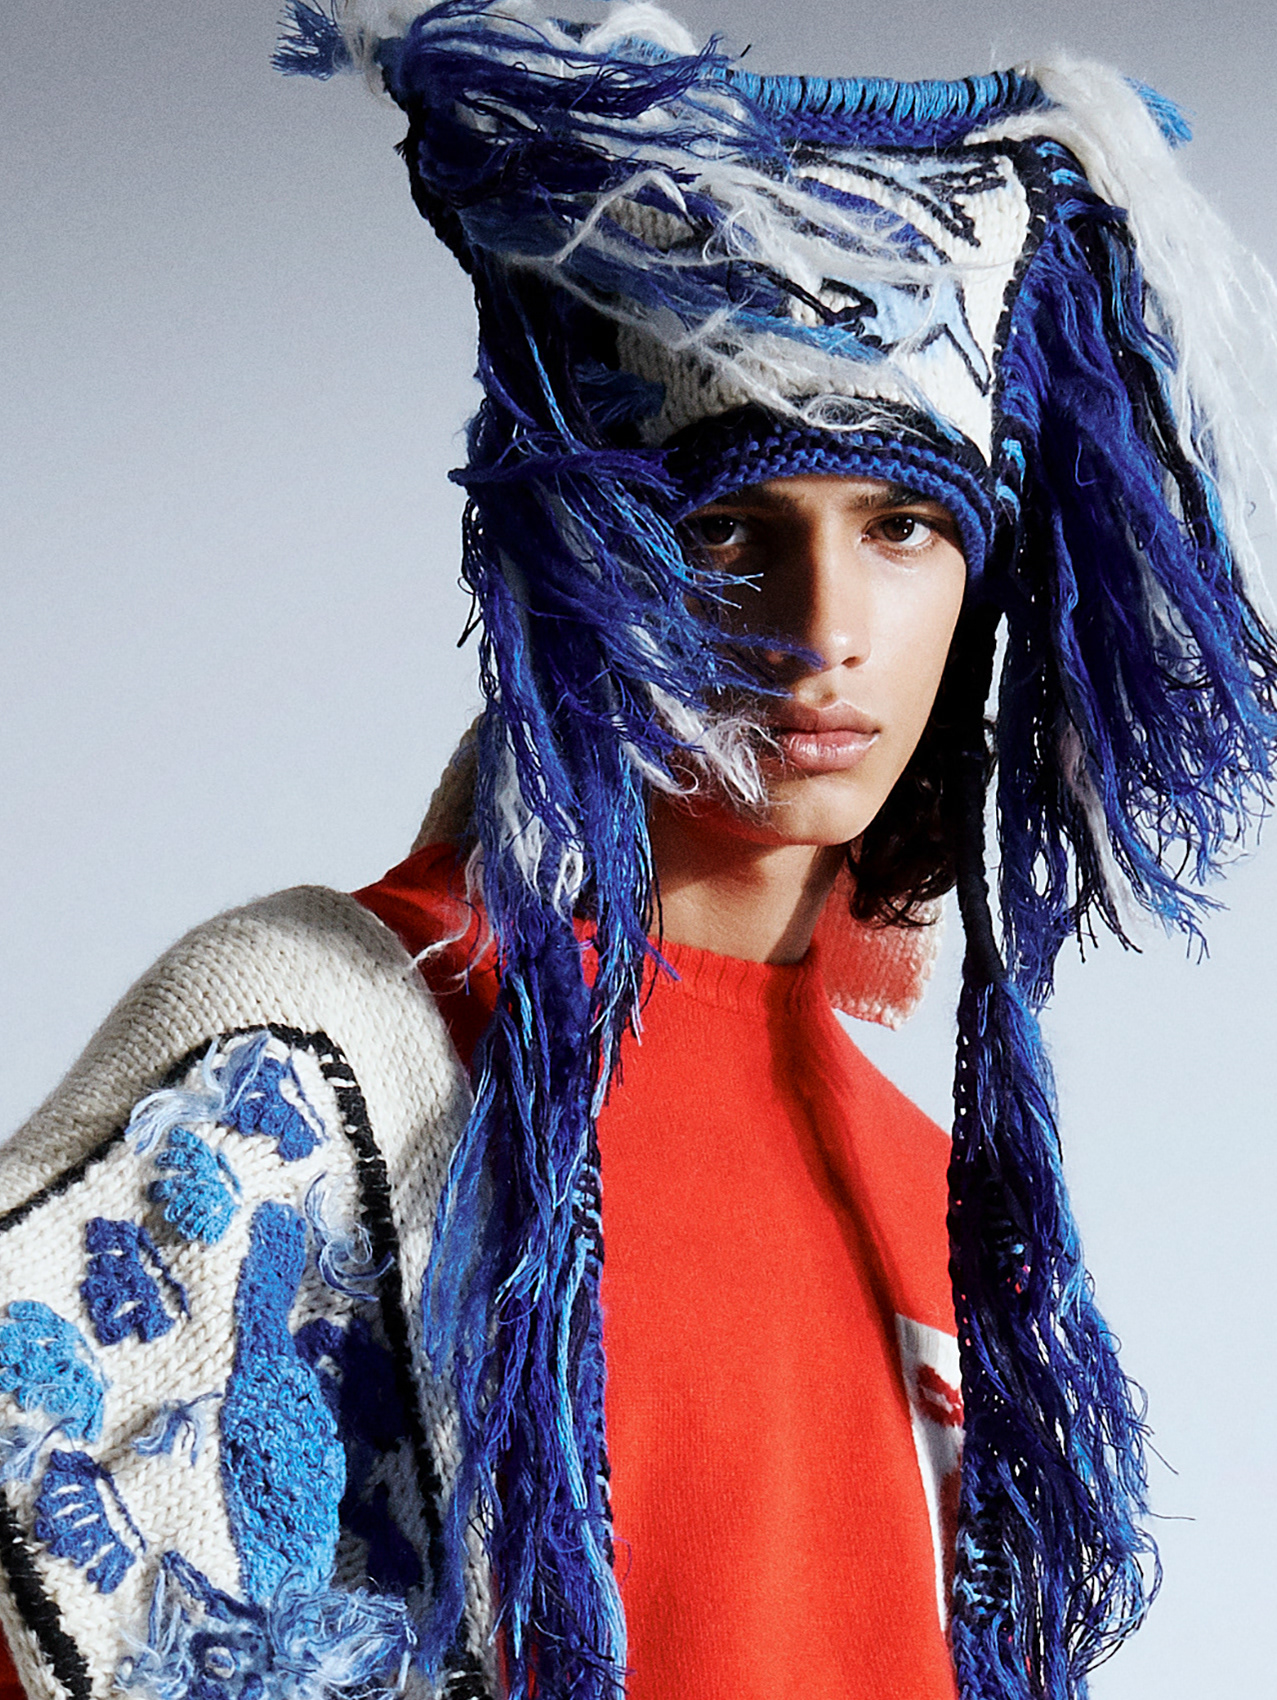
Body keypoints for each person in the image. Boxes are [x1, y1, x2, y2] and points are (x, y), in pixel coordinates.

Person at [1, 5, 1275, 1700]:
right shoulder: (324, 1052)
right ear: (588, 562)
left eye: (900, 527)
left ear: (980, 582)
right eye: (729, 529)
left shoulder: (931, 1193)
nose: (821, 628)